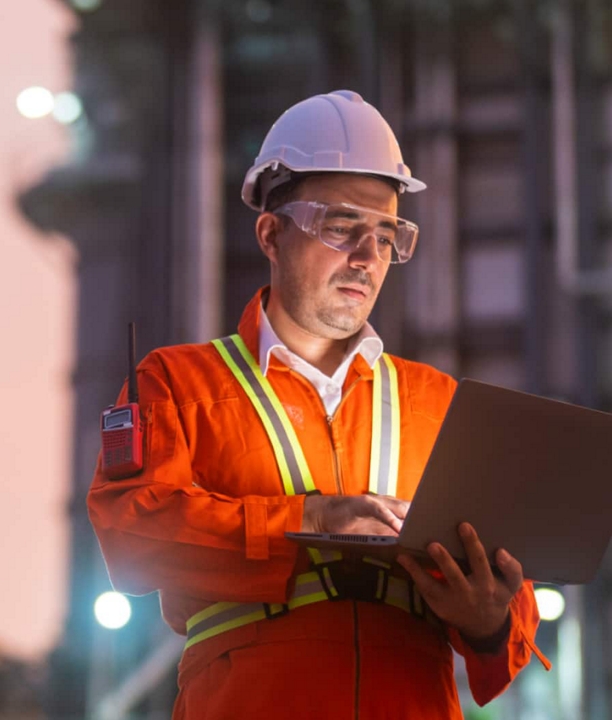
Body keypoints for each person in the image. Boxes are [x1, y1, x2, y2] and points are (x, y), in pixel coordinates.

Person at [87, 90, 548, 720]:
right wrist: (311, 522)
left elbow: (509, 611)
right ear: (270, 234)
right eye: (340, 227)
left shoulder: (438, 404)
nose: (367, 257)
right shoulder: (177, 383)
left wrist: (492, 617)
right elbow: (133, 535)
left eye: (386, 235)